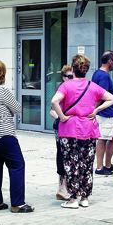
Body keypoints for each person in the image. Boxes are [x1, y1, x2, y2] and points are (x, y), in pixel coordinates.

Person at [51, 54, 113, 208]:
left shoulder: (66, 86)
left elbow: (54, 101)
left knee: (71, 164)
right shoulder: (92, 86)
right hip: (89, 128)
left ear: (73, 69)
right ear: (86, 70)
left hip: (69, 129)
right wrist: (97, 109)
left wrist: (62, 117)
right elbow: (112, 99)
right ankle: (84, 198)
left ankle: (73, 199)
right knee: (87, 164)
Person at [0, 59, 35, 213]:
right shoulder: (2, 91)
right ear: (0, 75)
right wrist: (8, 111)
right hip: (4, 134)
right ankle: (17, 203)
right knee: (17, 165)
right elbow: (17, 108)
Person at [92, 51, 113, 175]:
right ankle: (100, 167)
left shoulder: (98, 73)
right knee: (102, 139)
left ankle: (107, 164)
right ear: (109, 61)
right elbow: (100, 95)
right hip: (105, 113)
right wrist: (95, 110)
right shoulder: (104, 76)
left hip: (105, 112)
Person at [50, 64, 73, 201]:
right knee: (62, 154)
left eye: (73, 76)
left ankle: (64, 187)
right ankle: (62, 187)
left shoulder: (70, 89)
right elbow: (53, 107)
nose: (72, 79)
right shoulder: (62, 89)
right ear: (63, 78)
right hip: (61, 126)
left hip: (66, 125)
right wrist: (61, 117)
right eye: (69, 76)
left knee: (66, 154)